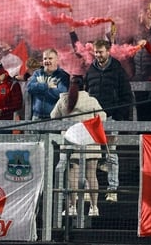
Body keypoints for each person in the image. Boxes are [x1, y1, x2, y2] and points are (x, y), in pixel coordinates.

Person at [84, 39, 133, 202]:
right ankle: (85, 190)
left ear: (108, 51)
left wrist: (119, 115)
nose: (98, 55)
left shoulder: (118, 70)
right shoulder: (90, 70)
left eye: (100, 52)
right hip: (93, 119)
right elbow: (86, 92)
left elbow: (126, 94)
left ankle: (112, 189)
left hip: (111, 117)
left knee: (111, 154)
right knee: (88, 154)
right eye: (96, 52)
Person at [51, 75, 106, 217]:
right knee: (92, 175)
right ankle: (94, 208)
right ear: (85, 86)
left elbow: (53, 116)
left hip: (71, 142)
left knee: (72, 176)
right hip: (90, 141)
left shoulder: (63, 100)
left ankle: (72, 207)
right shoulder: (91, 100)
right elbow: (103, 117)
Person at [26, 48, 70, 120]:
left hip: (54, 117)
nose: (47, 61)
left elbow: (60, 94)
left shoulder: (63, 76)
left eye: (50, 58)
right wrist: (47, 86)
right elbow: (29, 88)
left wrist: (39, 89)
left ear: (57, 60)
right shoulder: (37, 73)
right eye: (45, 59)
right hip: (36, 117)